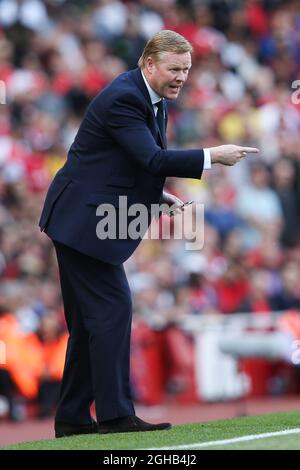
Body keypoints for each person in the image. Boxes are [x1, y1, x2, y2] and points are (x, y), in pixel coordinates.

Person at [39, 30, 259, 437]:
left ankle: (72, 416)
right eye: (175, 69)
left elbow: (117, 161)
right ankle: (115, 415)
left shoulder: (150, 97)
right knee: (113, 310)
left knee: (89, 322)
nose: (182, 77)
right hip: (82, 222)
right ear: (149, 64)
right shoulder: (126, 96)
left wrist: (158, 195)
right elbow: (152, 157)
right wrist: (213, 155)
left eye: (187, 70)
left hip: (80, 218)